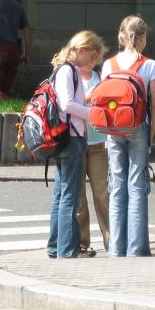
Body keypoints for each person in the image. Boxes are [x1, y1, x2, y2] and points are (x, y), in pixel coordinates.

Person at [102, 15, 155, 257]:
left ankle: (116, 248)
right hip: (138, 128)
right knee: (137, 186)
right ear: (143, 37)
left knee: (117, 187)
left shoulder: (109, 65)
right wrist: (151, 134)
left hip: (113, 130)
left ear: (121, 37)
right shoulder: (150, 65)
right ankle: (136, 249)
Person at [47, 30, 106, 259]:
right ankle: (66, 249)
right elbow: (67, 104)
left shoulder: (63, 70)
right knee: (69, 197)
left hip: (65, 138)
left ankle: (55, 246)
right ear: (80, 50)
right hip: (71, 139)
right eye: (91, 56)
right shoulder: (67, 71)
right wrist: (92, 113)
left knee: (61, 194)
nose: (91, 62)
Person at [76, 43, 110, 257]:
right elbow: (66, 104)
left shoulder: (100, 76)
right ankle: (82, 243)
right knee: (79, 198)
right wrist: (88, 98)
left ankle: (112, 240)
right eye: (88, 52)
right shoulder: (69, 76)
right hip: (77, 143)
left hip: (98, 142)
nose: (92, 56)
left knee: (103, 193)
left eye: (95, 53)